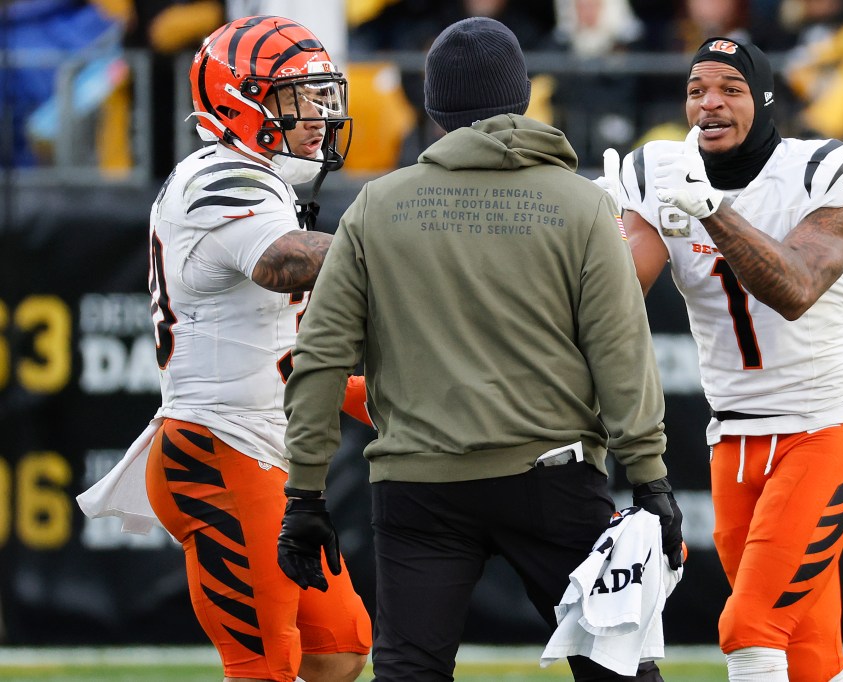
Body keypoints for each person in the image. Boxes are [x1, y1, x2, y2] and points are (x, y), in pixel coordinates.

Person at [274, 16, 684, 682]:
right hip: (552, 477)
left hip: (418, 483)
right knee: (619, 672)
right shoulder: (579, 206)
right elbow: (621, 351)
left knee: (410, 671)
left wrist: (305, 496)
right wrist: (651, 477)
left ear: (432, 106)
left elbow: (320, 358)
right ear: (522, 96)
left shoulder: (378, 206)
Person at [83, 15, 373, 682]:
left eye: (323, 96)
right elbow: (282, 263)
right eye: (299, 97)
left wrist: (375, 396)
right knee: (268, 667)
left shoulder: (259, 177)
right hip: (218, 452)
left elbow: (280, 346)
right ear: (241, 98)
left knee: (341, 647)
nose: (319, 115)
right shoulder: (217, 179)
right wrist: (402, 240)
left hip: (263, 448)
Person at [614, 37, 843, 682]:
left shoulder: (826, 167)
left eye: (730, 89)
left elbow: (794, 289)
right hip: (733, 437)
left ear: (764, 100)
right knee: (807, 651)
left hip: (827, 427)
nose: (709, 104)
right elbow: (615, 297)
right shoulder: (660, 172)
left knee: (751, 630)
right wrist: (586, 230)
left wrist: (711, 210)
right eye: (696, 90)